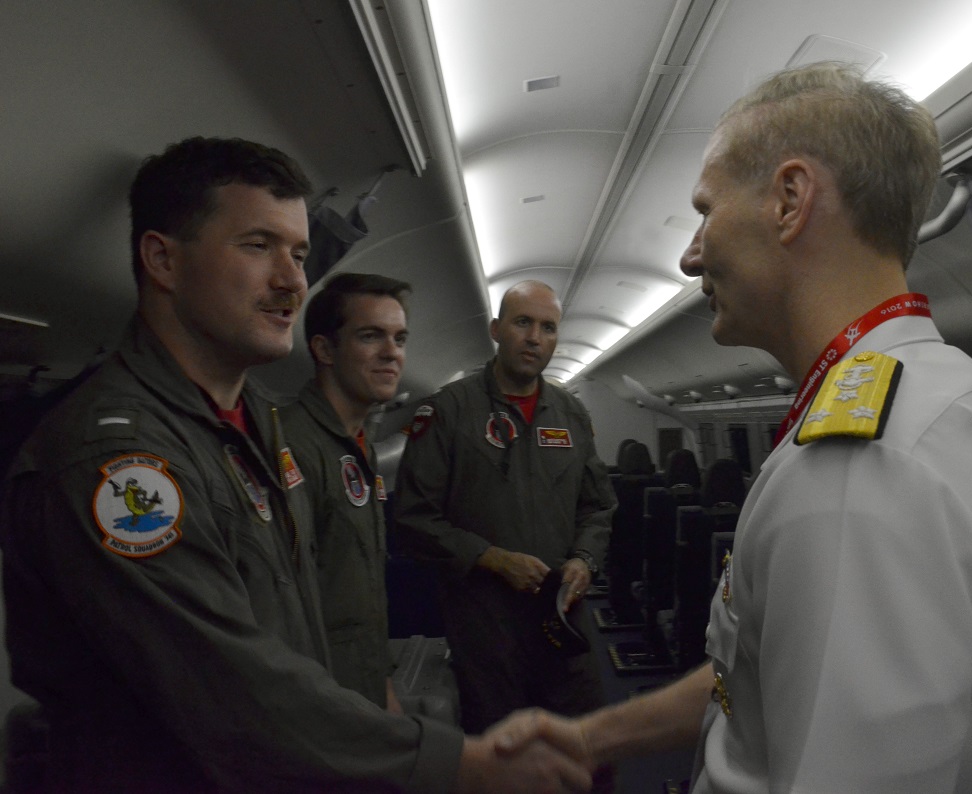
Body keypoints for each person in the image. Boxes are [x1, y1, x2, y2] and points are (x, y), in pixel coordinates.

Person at [499, 62, 972, 792]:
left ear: (790, 200)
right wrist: (593, 735)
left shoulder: (867, 470)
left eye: (706, 212)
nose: (689, 254)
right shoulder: (948, 402)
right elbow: (761, 667)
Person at [0, 136, 591, 793]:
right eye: (258, 246)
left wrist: (375, 695)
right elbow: (228, 691)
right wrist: (463, 765)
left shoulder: (256, 421)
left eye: (301, 254)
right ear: (162, 259)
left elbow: (304, 621)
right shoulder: (117, 461)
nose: (293, 281)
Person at [394, 281, 615, 738]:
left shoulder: (571, 415)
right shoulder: (448, 413)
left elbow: (597, 507)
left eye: (548, 328)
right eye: (523, 323)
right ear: (496, 329)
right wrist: (492, 558)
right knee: (501, 760)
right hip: (485, 630)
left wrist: (585, 559)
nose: (535, 337)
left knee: (584, 754)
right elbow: (413, 519)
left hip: (561, 621)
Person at [279, 272, 410, 713]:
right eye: (371, 336)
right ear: (323, 349)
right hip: (320, 708)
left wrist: (382, 684)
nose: (392, 352)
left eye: (399, 337)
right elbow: (284, 613)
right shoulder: (292, 448)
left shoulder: (360, 449)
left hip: (362, 689)